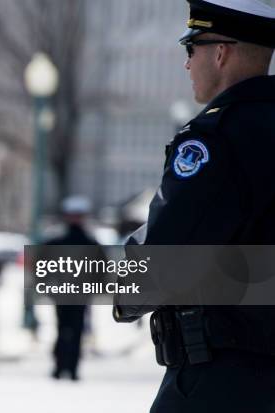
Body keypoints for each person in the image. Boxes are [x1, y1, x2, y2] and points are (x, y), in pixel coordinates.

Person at [114, 1, 275, 411]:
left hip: (223, 382)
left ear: (220, 52)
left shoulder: (215, 138)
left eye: (191, 49)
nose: (187, 65)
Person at [45, 196, 99, 381]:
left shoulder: (61, 241)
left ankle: (69, 368)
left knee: (72, 331)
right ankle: (62, 367)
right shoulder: (87, 242)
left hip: (75, 294)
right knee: (65, 330)